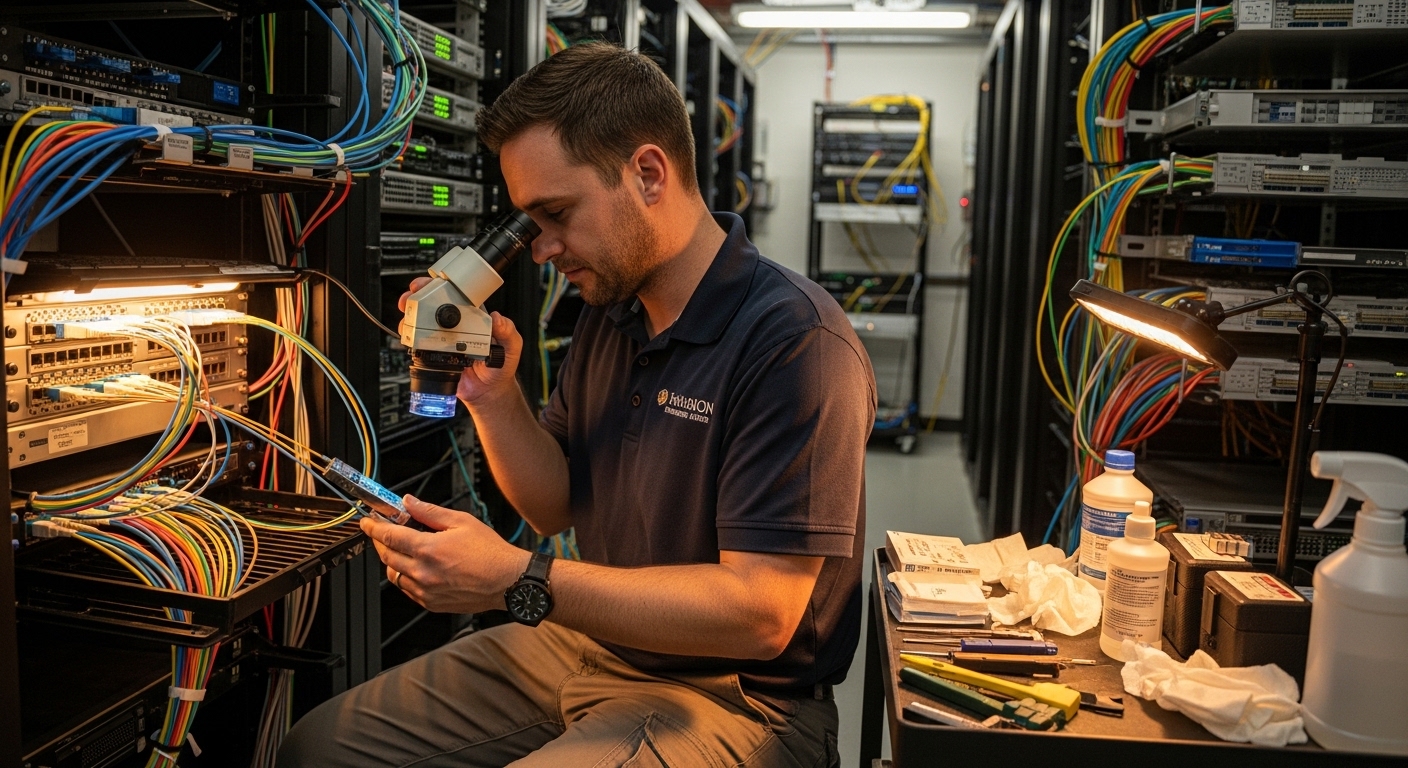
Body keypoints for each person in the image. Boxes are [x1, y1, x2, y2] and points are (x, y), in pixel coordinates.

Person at [279, 42, 875, 768]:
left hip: (734, 694)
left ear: (648, 173)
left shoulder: (795, 342)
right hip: (589, 643)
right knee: (321, 748)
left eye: (554, 213)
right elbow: (554, 505)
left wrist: (513, 579)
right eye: (529, 223)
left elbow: (761, 615)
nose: (541, 250)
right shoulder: (613, 308)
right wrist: (492, 396)